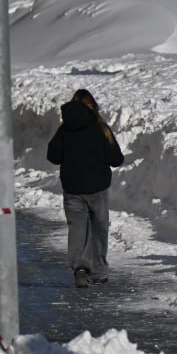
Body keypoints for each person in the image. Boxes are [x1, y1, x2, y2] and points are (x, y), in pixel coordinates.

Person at [46, 89, 125, 288]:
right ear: (93, 106)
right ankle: (99, 271)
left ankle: (80, 268)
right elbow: (116, 159)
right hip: (97, 187)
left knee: (77, 228)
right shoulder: (101, 128)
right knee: (99, 228)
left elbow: (53, 156)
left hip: (72, 188)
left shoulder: (64, 129)